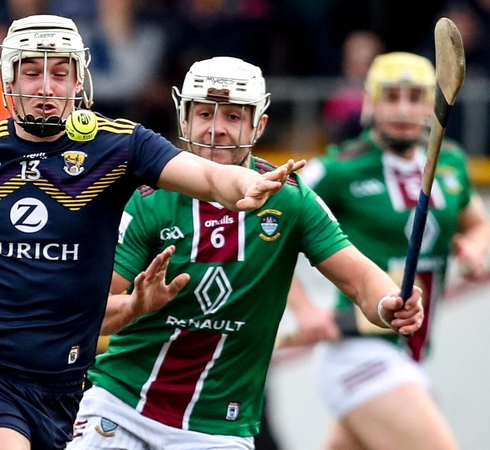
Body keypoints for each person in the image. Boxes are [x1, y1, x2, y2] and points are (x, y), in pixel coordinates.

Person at [0, 14, 311, 450]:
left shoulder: (120, 145)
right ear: (9, 78)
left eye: (59, 73)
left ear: (79, 79)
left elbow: (206, 176)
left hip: (70, 387)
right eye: (32, 72)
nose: (46, 86)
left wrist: (244, 184)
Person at [66, 56, 423, 450]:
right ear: (184, 118)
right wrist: (135, 305)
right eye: (204, 113)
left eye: (234, 117)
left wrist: (389, 303)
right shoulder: (148, 201)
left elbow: (362, 280)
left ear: (259, 125)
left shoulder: (292, 202)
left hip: (219, 429)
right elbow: (89, 315)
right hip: (121, 407)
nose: (216, 129)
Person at [296, 52, 490, 450]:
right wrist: (303, 308)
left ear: (431, 106)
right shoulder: (339, 169)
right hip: (359, 347)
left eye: (415, 96)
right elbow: (262, 230)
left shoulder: (450, 162)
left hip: (411, 351)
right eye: (391, 96)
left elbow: (477, 223)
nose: (403, 108)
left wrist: (473, 252)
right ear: (371, 103)